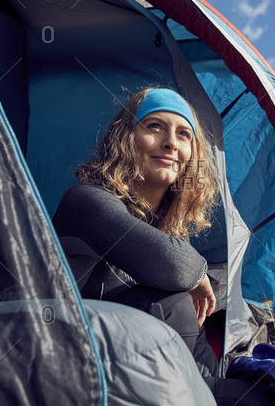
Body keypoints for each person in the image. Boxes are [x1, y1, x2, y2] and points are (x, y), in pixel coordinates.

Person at [52, 87, 219, 358]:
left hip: (151, 379)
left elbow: (198, 344)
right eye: (155, 126)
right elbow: (177, 266)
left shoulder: (171, 231)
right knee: (173, 303)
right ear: (125, 138)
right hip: (67, 362)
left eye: (183, 134)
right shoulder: (85, 202)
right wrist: (197, 273)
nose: (171, 143)